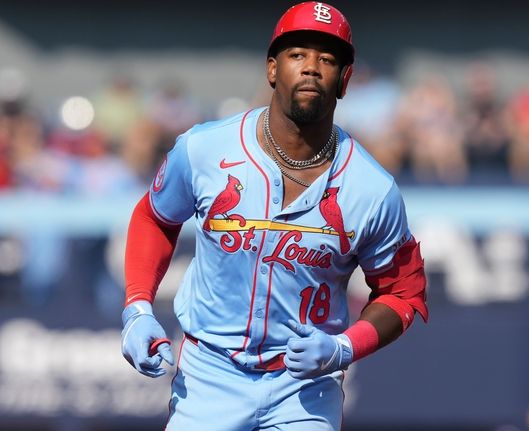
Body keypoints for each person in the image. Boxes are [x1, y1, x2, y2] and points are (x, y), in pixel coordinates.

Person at [119, 3, 428, 430]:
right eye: (298, 54)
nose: (312, 68)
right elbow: (156, 218)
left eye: (327, 58)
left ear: (345, 79)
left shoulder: (373, 189)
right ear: (272, 69)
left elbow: (403, 294)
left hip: (305, 387)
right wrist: (138, 307)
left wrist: (343, 347)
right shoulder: (204, 149)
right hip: (210, 374)